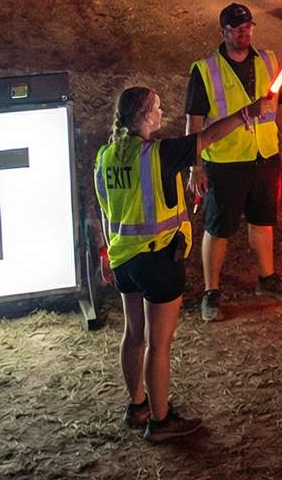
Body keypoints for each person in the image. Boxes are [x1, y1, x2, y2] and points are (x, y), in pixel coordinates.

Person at [94, 85, 269, 442]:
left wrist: (103, 254)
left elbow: (101, 208)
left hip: (123, 259)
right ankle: (160, 422)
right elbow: (206, 137)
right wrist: (245, 114)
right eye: (157, 108)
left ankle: (137, 406)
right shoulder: (158, 153)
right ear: (144, 116)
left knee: (134, 334)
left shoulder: (105, 156)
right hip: (159, 259)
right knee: (159, 344)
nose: (163, 113)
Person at [182, 3, 282, 323]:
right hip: (225, 161)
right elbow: (193, 124)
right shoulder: (205, 70)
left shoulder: (267, 61)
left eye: (247, 26)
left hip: (264, 156)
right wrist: (195, 166)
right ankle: (212, 292)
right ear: (223, 33)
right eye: (236, 28)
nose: (243, 32)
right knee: (218, 228)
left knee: (263, 221)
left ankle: (267, 279)